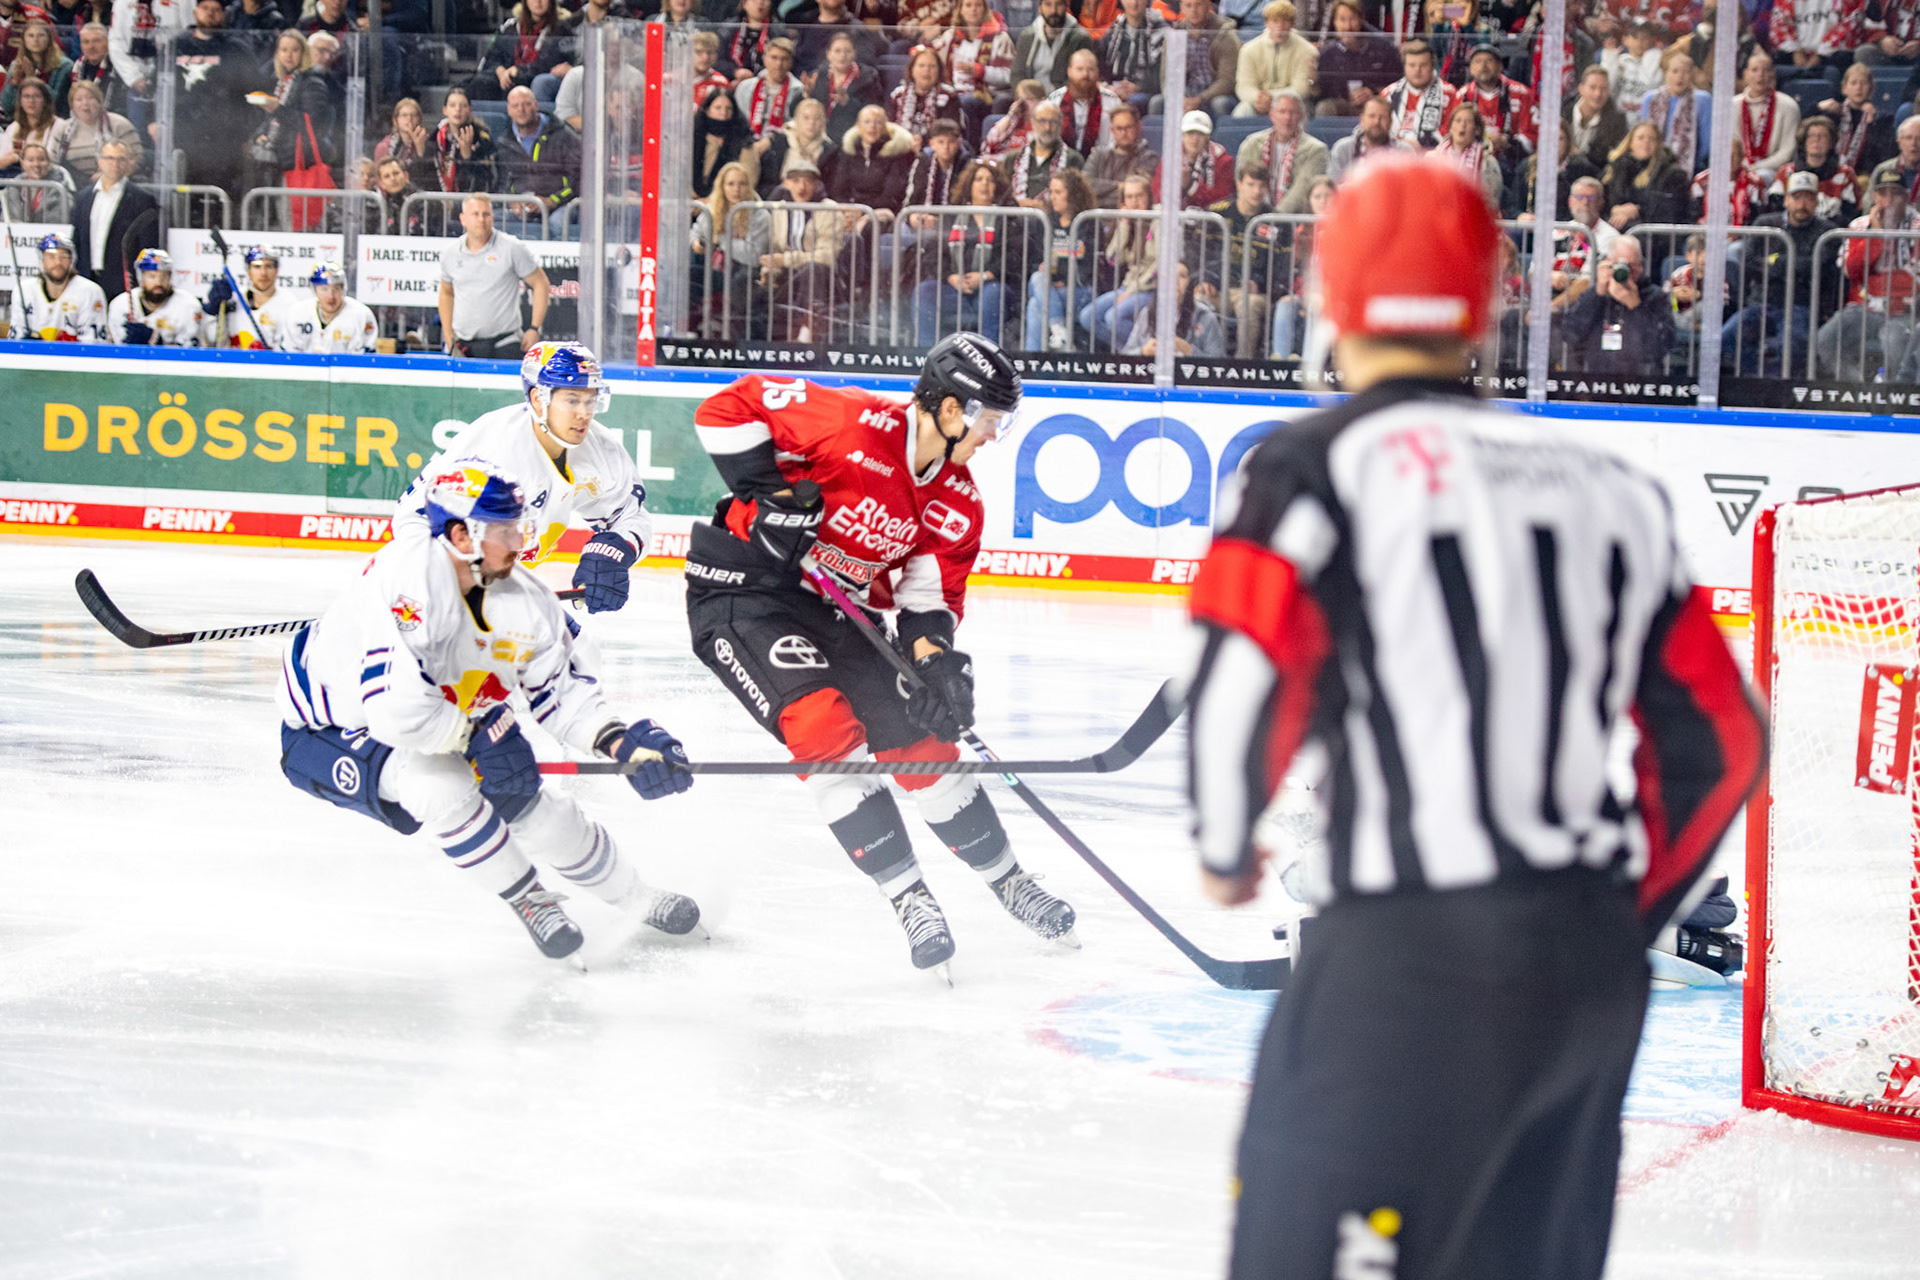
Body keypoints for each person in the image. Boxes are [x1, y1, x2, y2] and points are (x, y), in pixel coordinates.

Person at [1186, 152, 1764, 1280]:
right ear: (1487, 304)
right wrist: (1620, 912)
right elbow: (1724, 737)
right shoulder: (1609, 487)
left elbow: (1241, 674)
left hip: (1406, 960)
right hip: (1585, 973)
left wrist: (1222, 845)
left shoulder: (1314, 465)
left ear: (1334, 296)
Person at [685, 334, 1074, 975]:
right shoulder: (851, 422)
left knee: (923, 740)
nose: (992, 436)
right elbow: (725, 409)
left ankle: (1010, 882)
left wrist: (935, 666)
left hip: (837, 607)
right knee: (821, 727)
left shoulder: (957, 502)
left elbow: (927, 604)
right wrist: (770, 497)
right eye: (991, 420)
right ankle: (910, 897)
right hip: (743, 593)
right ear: (951, 410)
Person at [282, 459, 695, 963]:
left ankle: (635, 897)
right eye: (504, 531)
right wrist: (478, 735)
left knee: (529, 804)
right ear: (461, 535)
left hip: (438, 715)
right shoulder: (409, 581)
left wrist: (620, 742)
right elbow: (395, 713)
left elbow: (562, 696)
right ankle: (529, 899)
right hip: (330, 727)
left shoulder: (525, 599)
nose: (520, 542)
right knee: (439, 787)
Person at [397, 342, 652, 617]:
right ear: (538, 399)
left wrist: (614, 551)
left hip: (508, 581)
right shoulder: (491, 448)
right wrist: (453, 584)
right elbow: (413, 518)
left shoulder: (601, 450)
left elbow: (632, 516)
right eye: (572, 400)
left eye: (590, 400)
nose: (584, 413)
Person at [1726, 169, 1843, 376]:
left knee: (1791, 345)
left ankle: (1777, 390)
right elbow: (1750, 262)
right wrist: (1794, 265)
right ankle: (1750, 383)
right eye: (1797, 198)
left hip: (1802, 305)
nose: (1802, 204)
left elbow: (1815, 266)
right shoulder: (1765, 224)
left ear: (1817, 201)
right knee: (1727, 337)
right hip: (1762, 302)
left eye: (1808, 198)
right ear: (1786, 200)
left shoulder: (1827, 231)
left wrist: (1775, 261)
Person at [1817, 171, 1920, 379]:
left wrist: (1881, 284)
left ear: (1906, 197)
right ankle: (1856, 389)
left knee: (1894, 344)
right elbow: (1851, 269)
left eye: (1895, 194)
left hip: (1904, 313)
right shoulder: (1859, 226)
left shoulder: (1917, 227)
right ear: (1874, 196)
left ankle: (1891, 392)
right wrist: (1876, 234)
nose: (1888, 201)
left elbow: (1914, 278)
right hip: (1863, 309)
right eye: (1883, 194)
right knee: (1826, 340)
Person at [438, 196, 550, 359]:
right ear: (463, 219)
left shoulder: (512, 248)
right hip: (464, 346)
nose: (481, 219)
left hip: (505, 342)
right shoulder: (451, 253)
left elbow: (541, 283)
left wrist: (534, 328)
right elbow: (446, 292)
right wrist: (448, 335)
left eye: (486, 214)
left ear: (492, 217)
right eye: (475, 214)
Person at [756, 157, 846, 340]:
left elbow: (826, 256)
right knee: (748, 280)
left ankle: (805, 333)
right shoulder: (780, 209)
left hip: (823, 279)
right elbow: (775, 250)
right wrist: (770, 270)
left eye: (808, 182)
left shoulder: (828, 209)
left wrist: (786, 260)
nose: (802, 187)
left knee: (813, 270)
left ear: (816, 184)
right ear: (786, 183)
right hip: (789, 276)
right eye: (796, 181)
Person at [1562, 235, 1675, 373]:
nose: (1627, 272)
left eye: (1632, 265)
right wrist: (1597, 294)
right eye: (1620, 265)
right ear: (1608, 264)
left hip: (1640, 376)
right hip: (1597, 376)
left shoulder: (1656, 297)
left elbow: (1661, 346)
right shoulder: (1594, 295)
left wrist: (1635, 306)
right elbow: (1571, 334)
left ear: (1641, 266)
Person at [1205, 162, 1278, 356]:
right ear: (1239, 184)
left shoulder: (1276, 221)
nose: (1257, 191)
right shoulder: (1216, 213)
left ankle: (1242, 363)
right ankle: (1202, 360)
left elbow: (1281, 267)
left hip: (1254, 294)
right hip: (1219, 288)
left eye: (1262, 186)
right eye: (1251, 184)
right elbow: (1200, 251)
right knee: (1196, 299)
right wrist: (1205, 279)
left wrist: (1259, 283)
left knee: (1249, 304)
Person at [1023, 166, 1098, 349]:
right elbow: (1034, 260)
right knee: (1037, 281)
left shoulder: (1088, 223)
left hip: (1079, 290)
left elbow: (1090, 267)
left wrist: (1062, 280)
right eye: (1051, 192)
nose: (1052, 197)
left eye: (1058, 192)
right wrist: (1043, 270)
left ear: (1073, 194)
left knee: (1036, 304)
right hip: (1048, 287)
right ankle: (1058, 331)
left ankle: (1035, 356)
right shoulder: (1046, 222)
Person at [71, 140, 159, 295]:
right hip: (86, 279)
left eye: (121, 159)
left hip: (123, 284)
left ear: (129, 163)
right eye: (109, 158)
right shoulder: (83, 197)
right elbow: (77, 240)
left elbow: (147, 246)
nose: (115, 164)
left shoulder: (143, 200)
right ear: (99, 161)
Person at [1081, 171, 1157, 349]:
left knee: (1113, 317)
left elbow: (1159, 266)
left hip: (1151, 288)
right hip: (1129, 286)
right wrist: (1123, 225)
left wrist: (1132, 290)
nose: (1134, 201)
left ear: (1149, 197)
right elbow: (1113, 258)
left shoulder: (1158, 220)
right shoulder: (1129, 223)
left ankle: (1141, 353)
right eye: (1129, 197)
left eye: (1139, 196)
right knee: (1088, 317)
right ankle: (1130, 352)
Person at [496, 84, 582, 231]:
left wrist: (552, 201)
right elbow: (502, 182)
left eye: (526, 104)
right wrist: (512, 202)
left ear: (536, 106)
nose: (521, 110)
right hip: (522, 207)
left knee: (556, 225)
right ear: (509, 110)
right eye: (515, 106)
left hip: (560, 205)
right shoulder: (504, 142)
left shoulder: (564, 135)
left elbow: (578, 179)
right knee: (493, 220)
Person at [932, 0, 1015, 141]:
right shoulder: (950, 35)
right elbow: (932, 53)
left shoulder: (1000, 38)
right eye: (968, 5)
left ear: (985, 9)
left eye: (978, 5)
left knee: (965, 102)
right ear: (961, 9)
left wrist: (980, 71)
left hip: (988, 95)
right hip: (954, 91)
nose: (973, 9)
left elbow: (1008, 76)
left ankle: (971, 147)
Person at [109, 0, 194, 138]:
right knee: (139, 137)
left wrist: (177, 73)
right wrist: (135, 78)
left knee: (175, 135)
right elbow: (115, 42)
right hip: (138, 84)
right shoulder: (122, 2)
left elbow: (191, 35)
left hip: (174, 82)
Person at [6, 233, 109, 343]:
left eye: (64, 256)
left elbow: (93, 344)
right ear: (42, 260)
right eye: (51, 256)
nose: (58, 262)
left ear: (72, 260)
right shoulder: (24, 290)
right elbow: (16, 341)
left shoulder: (90, 291)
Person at [1235, 88, 1326, 212]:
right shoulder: (1252, 143)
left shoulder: (1316, 150)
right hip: (1254, 215)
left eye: (1293, 112)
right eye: (1282, 112)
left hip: (1293, 218)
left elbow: (1301, 190)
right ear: (1272, 115)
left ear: (1300, 116)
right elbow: (1243, 184)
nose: (1287, 118)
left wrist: (1275, 218)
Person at [202, 245, 302, 348]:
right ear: (248, 271)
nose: (263, 273)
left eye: (269, 266)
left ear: (276, 271)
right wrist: (213, 313)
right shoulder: (233, 298)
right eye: (257, 266)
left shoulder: (291, 305)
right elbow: (212, 341)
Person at [832, 103, 916, 224]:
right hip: (850, 211)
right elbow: (838, 190)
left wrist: (862, 212)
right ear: (858, 126)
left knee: (868, 225)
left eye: (878, 122)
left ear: (885, 127)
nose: (872, 127)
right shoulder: (849, 153)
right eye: (867, 122)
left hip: (881, 213)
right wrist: (849, 210)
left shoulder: (895, 155)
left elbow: (891, 196)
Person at [1767, 114, 1859, 224]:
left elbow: (1851, 214)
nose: (1816, 140)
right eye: (1811, 136)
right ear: (1803, 141)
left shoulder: (1845, 174)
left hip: (1832, 230)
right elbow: (1775, 210)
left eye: (1822, 136)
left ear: (1831, 142)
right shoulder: (1785, 172)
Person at [1313, 0, 1399, 117]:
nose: (1348, 26)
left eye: (1352, 19)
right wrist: (1312, 80)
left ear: (1361, 19)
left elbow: (1398, 85)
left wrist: (1374, 93)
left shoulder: (1383, 47)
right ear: (1335, 22)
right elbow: (1322, 93)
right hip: (1344, 106)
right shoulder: (1328, 53)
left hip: (1377, 105)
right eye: (1342, 19)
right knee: (1324, 108)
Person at [1600, 118, 1691, 228]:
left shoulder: (1672, 174)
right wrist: (1614, 210)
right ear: (1630, 142)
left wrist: (1637, 211)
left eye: (1652, 139)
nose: (1646, 142)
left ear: (1658, 144)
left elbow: (1671, 209)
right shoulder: (1613, 170)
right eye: (1641, 138)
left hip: (1652, 231)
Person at [472, 0, 570, 101]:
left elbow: (552, 62)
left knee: (516, 80)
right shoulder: (511, 27)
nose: (538, 2)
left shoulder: (561, 29)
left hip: (532, 75)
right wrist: (500, 70)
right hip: (508, 74)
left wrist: (519, 70)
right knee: (483, 81)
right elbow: (492, 56)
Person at [49, 78, 141, 185]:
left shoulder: (119, 124)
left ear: (99, 101)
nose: (85, 103)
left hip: (114, 183)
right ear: (72, 105)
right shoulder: (63, 129)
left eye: (90, 98)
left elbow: (137, 159)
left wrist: (108, 175)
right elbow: (53, 162)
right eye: (78, 99)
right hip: (72, 185)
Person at [1157, 0, 1239, 118]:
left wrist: (1201, 99)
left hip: (1213, 94)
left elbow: (1227, 80)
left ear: (1208, 6)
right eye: (1188, 5)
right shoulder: (1175, 34)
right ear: (1181, 8)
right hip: (1185, 94)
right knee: (1158, 103)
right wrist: (1178, 98)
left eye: (1198, 5)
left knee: (1220, 103)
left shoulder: (1224, 33)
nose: (1193, 10)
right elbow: (1167, 78)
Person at [108, 247, 206, 345]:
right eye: (152, 276)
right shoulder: (121, 304)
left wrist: (158, 343)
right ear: (141, 278)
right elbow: (117, 346)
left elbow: (190, 350)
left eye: (164, 276)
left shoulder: (188, 305)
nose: (158, 282)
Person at [1234, 0, 1314, 116]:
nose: (1280, 26)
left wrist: (1272, 97)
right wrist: (1257, 98)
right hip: (1259, 103)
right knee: (1243, 110)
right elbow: (1244, 86)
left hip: (1292, 103)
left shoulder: (1307, 50)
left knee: (1301, 109)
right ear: (1266, 23)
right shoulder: (1248, 50)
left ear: (1292, 23)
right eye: (1275, 21)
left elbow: (1301, 88)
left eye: (1285, 21)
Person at [1637, 50, 1711, 174]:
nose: (1680, 77)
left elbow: (1706, 145)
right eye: (1675, 71)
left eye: (1686, 72)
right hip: (1652, 168)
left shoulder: (1703, 99)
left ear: (1692, 74)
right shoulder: (1651, 98)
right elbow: (1644, 135)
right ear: (1665, 73)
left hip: (1691, 169)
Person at [1817, 61, 1894, 178]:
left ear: (1871, 88)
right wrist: (1818, 107)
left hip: (1865, 175)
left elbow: (1884, 154)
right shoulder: (1834, 113)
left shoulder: (1882, 119)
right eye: (1853, 83)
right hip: (1831, 172)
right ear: (1844, 88)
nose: (1858, 88)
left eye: (1864, 83)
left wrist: (1872, 124)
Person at [1002, 99, 1084, 206]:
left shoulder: (1073, 159)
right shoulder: (1013, 158)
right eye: (1042, 121)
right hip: (1018, 215)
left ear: (1060, 124)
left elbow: (1078, 199)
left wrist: (1047, 207)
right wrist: (1020, 204)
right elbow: (1003, 197)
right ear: (1033, 122)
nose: (1047, 128)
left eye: (1053, 122)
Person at [806, 30, 883, 141]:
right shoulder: (818, 76)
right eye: (837, 51)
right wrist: (807, 94)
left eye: (847, 51)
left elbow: (873, 112)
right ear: (828, 54)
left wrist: (848, 102)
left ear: (854, 53)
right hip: (818, 133)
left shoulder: (868, 77)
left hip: (851, 134)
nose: (842, 55)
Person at [286, 260, 377, 353]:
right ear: (315, 290)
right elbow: (289, 354)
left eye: (336, 288)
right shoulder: (297, 313)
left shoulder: (362, 315)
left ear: (343, 289)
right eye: (324, 289)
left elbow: (366, 357)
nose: (331, 296)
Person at [1737, 50, 1800, 182]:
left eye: (1766, 70)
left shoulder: (1788, 106)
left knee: (1761, 177)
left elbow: (1787, 151)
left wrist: (1754, 168)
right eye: (1755, 70)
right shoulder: (1732, 105)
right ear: (1745, 74)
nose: (1760, 75)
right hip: (1738, 168)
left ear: (1773, 74)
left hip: (1773, 171)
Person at [1432, 99, 1505, 207]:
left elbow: (1492, 201)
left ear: (1477, 130)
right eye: (1458, 121)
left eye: (1468, 122)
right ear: (1450, 128)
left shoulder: (1488, 163)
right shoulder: (1432, 158)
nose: (1462, 126)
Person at [695, 83, 762, 199]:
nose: (723, 113)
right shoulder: (693, 137)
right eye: (718, 108)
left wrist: (711, 201)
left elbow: (749, 181)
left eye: (728, 108)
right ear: (707, 110)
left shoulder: (744, 142)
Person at [1084, 101, 1159, 205]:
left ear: (1139, 127)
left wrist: (1100, 196)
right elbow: (1086, 185)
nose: (1124, 133)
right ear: (1112, 130)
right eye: (1119, 128)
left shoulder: (1149, 158)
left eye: (1128, 127)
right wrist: (1120, 186)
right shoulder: (1098, 155)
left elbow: (1138, 193)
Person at [1013, 0, 1093, 97]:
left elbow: (1078, 79)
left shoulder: (1080, 38)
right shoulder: (1027, 36)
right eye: (1048, 4)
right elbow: (1017, 74)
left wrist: (1054, 99)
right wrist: (1025, 96)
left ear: (1066, 7)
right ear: (1040, 8)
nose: (1053, 10)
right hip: (1030, 98)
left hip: (1063, 98)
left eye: (1059, 4)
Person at [1097, 0, 1165, 115]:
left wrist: (1138, 87)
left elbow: (1161, 76)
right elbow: (1100, 65)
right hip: (1114, 89)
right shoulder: (1114, 31)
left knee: (1132, 102)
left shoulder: (1160, 32)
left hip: (1145, 92)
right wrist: (1107, 87)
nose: (1134, 3)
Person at [890, 45, 965, 148]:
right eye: (921, 65)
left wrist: (921, 142)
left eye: (932, 66)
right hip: (902, 145)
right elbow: (890, 127)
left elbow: (950, 130)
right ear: (912, 70)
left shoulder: (949, 96)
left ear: (939, 71)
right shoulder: (898, 95)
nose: (926, 70)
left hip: (937, 148)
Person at [1157, 108, 1234, 208]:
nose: (1195, 139)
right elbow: (1158, 196)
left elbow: (1222, 198)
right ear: (1182, 135)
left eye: (1201, 134)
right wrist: (1180, 187)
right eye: (1190, 133)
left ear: (1208, 137)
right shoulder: (1169, 159)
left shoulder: (1224, 161)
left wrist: (1191, 186)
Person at [1380, 38, 1448, 149]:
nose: (1417, 70)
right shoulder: (1389, 94)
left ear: (1432, 66)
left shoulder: (1449, 93)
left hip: (1433, 154)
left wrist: (1420, 145)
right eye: (1412, 65)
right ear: (1404, 67)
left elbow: (1452, 129)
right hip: (1393, 154)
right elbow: (1379, 127)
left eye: (1423, 65)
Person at [761, 95, 834, 198]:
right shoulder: (779, 143)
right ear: (797, 120)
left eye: (817, 119)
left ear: (823, 122)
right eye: (806, 118)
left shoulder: (830, 151)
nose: (811, 123)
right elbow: (766, 183)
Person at [1, 17, 72, 121]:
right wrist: (14, 83)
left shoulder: (64, 66)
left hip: (53, 121)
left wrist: (32, 79)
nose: (35, 40)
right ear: (24, 39)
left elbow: (56, 103)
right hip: (22, 121)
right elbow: (7, 106)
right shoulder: (17, 64)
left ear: (49, 39)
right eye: (31, 35)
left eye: (41, 35)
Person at [735, 35, 805, 139]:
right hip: (746, 141)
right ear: (765, 59)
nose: (779, 64)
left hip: (782, 144)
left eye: (784, 59)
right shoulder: (745, 87)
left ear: (791, 62)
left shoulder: (799, 91)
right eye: (774, 58)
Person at [432, 86, 498, 193]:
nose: (458, 109)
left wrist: (467, 156)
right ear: (445, 110)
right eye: (452, 105)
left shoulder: (482, 139)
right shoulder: (435, 138)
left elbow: (487, 179)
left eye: (463, 106)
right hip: (439, 197)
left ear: (470, 110)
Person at [1565, 63, 1629, 169]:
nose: (1598, 94)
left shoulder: (1617, 123)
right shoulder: (1563, 111)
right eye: (1592, 87)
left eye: (1603, 88)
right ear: (1581, 89)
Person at [1326, 93, 1398, 179]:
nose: (1376, 122)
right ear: (1362, 120)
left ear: (1390, 122)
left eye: (1383, 117)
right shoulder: (1342, 149)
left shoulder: (1404, 151)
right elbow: (1333, 184)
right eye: (1372, 116)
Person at [1600, 19, 1662, 113]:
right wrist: (1610, 61)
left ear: (1652, 40)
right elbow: (1607, 88)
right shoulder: (1619, 62)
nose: (1639, 42)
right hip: (1619, 116)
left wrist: (1656, 57)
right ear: (1625, 40)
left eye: (1645, 37)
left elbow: (1657, 88)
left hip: (1645, 118)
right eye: (1635, 37)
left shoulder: (1657, 63)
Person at [717, 0, 787, 83]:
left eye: (765, 0)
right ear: (744, 4)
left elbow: (784, 61)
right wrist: (734, 72)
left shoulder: (779, 32)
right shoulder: (728, 29)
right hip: (730, 80)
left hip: (767, 81)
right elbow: (717, 60)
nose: (760, 3)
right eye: (754, 0)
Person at [0, 78, 58, 175]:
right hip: (14, 178)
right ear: (21, 101)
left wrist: (17, 158)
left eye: (37, 96)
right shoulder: (14, 127)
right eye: (26, 96)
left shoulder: (59, 126)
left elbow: (54, 159)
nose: (31, 101)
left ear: (45, 100)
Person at [2, 142, 71, 219]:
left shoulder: (60, 185)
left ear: (49, 162)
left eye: (41, 159)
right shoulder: (13, 187)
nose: (36, 164)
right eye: (30, 160)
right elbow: (7, 218)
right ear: (22, 164)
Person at [68, 21, 122, 116]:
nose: (91, 47)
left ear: (107, 42)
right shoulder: (77, 67)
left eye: (96, 41)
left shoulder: (118, 68)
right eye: (86, 42)